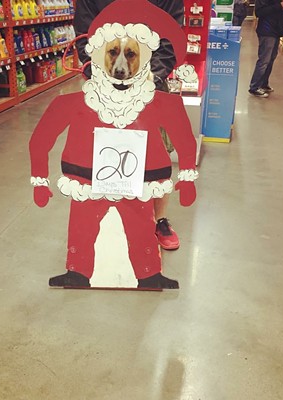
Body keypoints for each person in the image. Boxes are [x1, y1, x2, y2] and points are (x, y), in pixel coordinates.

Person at [74, 0, 186, 251]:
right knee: (104, 155)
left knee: (158, 157)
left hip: (151, 85)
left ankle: (160, 221)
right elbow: (85, 38)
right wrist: (104, 78)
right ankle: (105, 218)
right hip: (104, 88)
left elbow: (170, 40)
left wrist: (150, 79)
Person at [248, 0, 283, 97]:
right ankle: (254, 87)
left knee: (271, 59)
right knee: (264, 60)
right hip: (267, 30)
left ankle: (263, 84)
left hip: (276, 30)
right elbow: (259, 12)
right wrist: (279, 6)